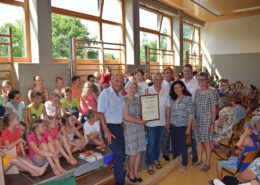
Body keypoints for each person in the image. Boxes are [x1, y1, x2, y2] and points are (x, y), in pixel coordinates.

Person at [98, 73, 126, 185]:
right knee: (118, 153)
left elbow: (118, 111)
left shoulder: (120, 94)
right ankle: (119, 182)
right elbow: (100, 114)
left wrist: (122, 123)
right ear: (111, 82)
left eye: (121, 82)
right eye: (117, 81)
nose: (119, 84)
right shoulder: (105, 94)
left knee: (122, 153)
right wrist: (107, 131)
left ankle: (120, 173)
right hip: (108, 127)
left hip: (118, 127)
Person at [192, 72, 218, 173]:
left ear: (207, 81)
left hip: (207, 121)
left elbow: (214, 109)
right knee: (198, 141)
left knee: (206, 142)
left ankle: (207, 164)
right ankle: (199, 160)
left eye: (203, 80)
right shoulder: (197, 92)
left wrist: (212, 124)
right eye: (199, 80)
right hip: (197, 120)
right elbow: (194, 106)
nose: (201, 82)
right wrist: (193, 121)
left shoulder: (211, 92)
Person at [166, 80, 194, 172]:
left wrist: (189, 128)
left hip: (183, 126)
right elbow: (169, 112)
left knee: (182, 145)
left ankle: (184, 164)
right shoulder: (172, 98)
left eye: (178, 87)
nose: (177, 89)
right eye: (175, 88)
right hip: (173, 125)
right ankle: (175, 160)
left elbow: (191, 114)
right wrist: (168, 123)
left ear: (182, 87)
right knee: (174, 144)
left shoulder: (188, 98)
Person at [145, 72, 169, 175]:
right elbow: (145, 106)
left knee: (158, 143)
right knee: (151, 144)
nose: (158, 81)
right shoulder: (148, 90)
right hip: (151, 123)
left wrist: (168, 120)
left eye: (160, 79)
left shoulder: (165, 90)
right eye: (156, 79)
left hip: (162, 122)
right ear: (152, 80)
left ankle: (155, 159)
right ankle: (149, 163)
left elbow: (168, 106)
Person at [123, 81, 146, 182]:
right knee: (132, 153)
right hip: (130, 128)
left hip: (139, 128)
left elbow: (142, 112)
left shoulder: (138, 99)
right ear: (126, 88)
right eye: (130, 87)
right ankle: (130, 173)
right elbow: (126, 116)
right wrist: (140, 121)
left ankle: (136, 172)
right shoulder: (124, 100)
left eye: (134, 88)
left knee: (139, 152)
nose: (133, 90)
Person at [181, 64, 200, 164]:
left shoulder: (197, 83)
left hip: (193, 111)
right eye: (185, 71)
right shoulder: (180, 82)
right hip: (182, 112)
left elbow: (198, 99)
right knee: (182, 134)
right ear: (183, 72)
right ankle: (183, 154)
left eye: (188, 71)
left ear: (192, 72)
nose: (187, 72)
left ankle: (195, 155)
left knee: (193, 135)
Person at [161, 67, 174, 161]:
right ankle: (165, 152)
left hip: (173, 111)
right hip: (164, 111)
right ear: (164, 74)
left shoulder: (174, 85)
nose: (169, 75)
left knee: (172, 132)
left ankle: (171, 149)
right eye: (167, 73)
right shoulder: (160, 85)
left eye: (170, 73)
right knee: (166, 133)